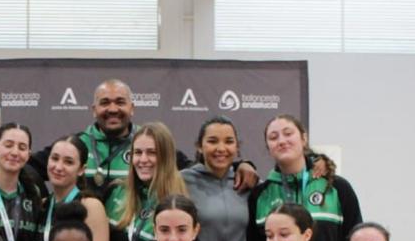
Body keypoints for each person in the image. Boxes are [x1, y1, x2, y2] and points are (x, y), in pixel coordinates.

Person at [29, 79, 258, 195]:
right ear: (93, 109)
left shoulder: (149, 145)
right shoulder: (76, 145)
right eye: (104, 103)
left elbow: (200, 168)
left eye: (120, 102)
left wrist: (240, 164)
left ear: (132, 108)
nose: (112, 109)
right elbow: (29, 169)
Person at [245, 114, 362, 241]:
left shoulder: (336, 187)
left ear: (304, 138)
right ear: (268, 147)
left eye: (288, 133)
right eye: (273, 137)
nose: (282, 140)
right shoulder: (259, 196)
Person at [181, 115, 252, 241]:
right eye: (212, 141)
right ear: (199, 146)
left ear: (237, 148)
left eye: (229, 141)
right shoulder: (180, 182)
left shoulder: (249, 185)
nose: (221, 148)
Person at [111, 122, 189, 241]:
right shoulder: (115, 192)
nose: (143, 159)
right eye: (137, 152)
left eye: (152, 152)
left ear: (166, 156)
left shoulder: (180, 203)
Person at [38, 135, 109, 241]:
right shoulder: (43, 204)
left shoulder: (90, 206)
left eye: (68, 162)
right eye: (55, 158)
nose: (58, 167)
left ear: (81, 170)